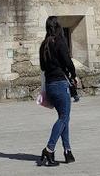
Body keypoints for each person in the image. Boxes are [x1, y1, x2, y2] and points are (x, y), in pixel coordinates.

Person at [39, 16, 78, 166]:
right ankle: (49, 149)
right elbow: (67, 62)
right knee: (64, 117)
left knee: (64, 117)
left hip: (50, 84)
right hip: (61, 84)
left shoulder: (44, 45)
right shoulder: (59, 42)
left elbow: (42, 67)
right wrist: (73, 75)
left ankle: (67, 151)